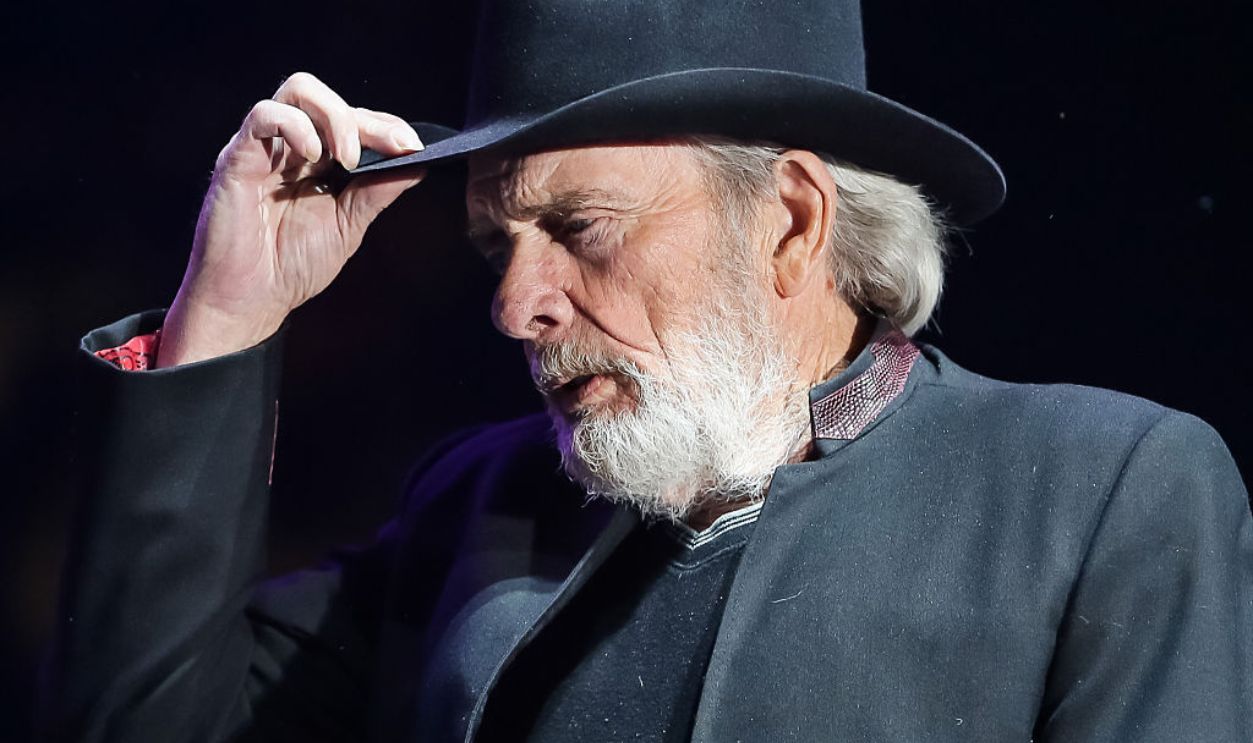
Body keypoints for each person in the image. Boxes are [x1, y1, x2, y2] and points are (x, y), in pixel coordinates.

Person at [42, 0, 1252, 741]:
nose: (514, 305)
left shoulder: (1094, 495)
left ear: (788, 223)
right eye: (497, 248)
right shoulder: (477, 512)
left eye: (579, 228)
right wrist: (228, 309)